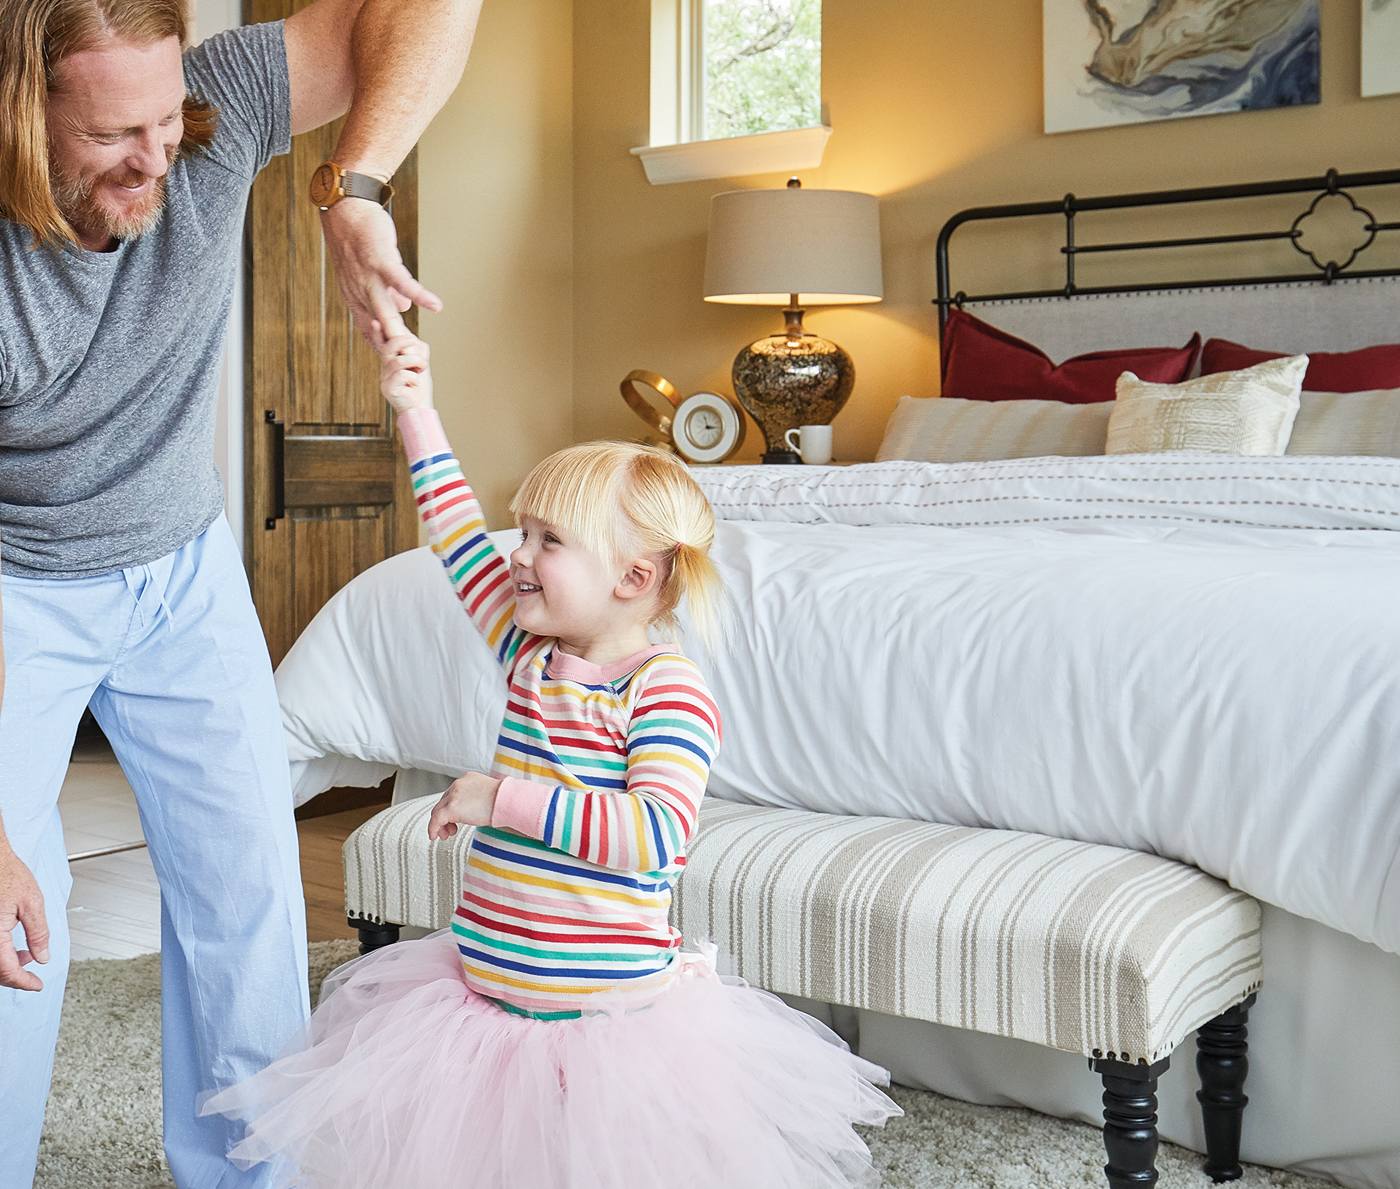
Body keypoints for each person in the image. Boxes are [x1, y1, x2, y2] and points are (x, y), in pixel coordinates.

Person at [0, 0, 481, 1189]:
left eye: (165, 118)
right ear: (15, 113)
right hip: (19, 589)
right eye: (109, 137)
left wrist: (353, 186)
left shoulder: (210, 111)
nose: (161, 156)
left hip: (181, 568)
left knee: (249, 889)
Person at [201, 329, 902, 1188]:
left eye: (548, 541)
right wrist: (415, 408)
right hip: (485, 990)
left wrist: (503, 800)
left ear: (634, 578)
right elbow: (460, 537)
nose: (518, 555)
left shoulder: (665, 692)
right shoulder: (530, 654)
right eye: (523, 531)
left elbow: (653, 837)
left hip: (606, 1019)